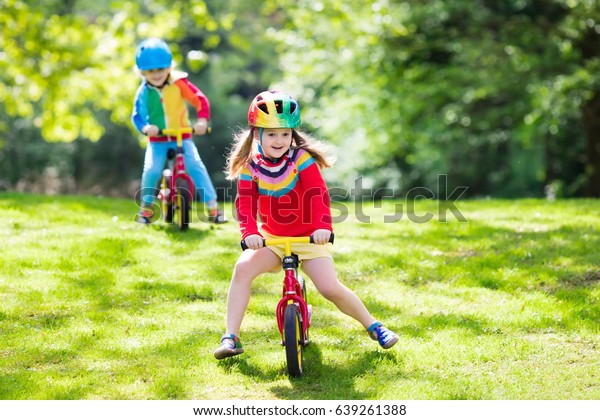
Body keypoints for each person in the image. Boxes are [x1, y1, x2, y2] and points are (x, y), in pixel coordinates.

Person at [213, 90, 398, 359]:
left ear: (293, 135)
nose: (279, 140)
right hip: (273, 240)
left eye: (285, 134)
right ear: (257, 134)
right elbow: (245, 205)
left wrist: (323, 227)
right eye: (272, 133)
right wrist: (250, 232)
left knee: (329, 287)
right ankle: (231, 337)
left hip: (310, 239)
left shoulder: (301, 159)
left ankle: (375, 327)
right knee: (242, 269)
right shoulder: (249, 166)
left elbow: (318, 195)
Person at [131, 38, 226, 224]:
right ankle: (146, 209)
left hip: (182, 136)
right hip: (158, 140)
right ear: (142, 72)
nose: (156, 74)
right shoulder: (143, 92)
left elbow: (200, 100)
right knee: (151, 170)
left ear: (169, 67)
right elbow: (137, 115)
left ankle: (213, 208)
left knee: (196, 166)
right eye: (150, 71)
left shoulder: (179, 83)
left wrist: (202, 120)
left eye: (161, 69)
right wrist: (145, 128)